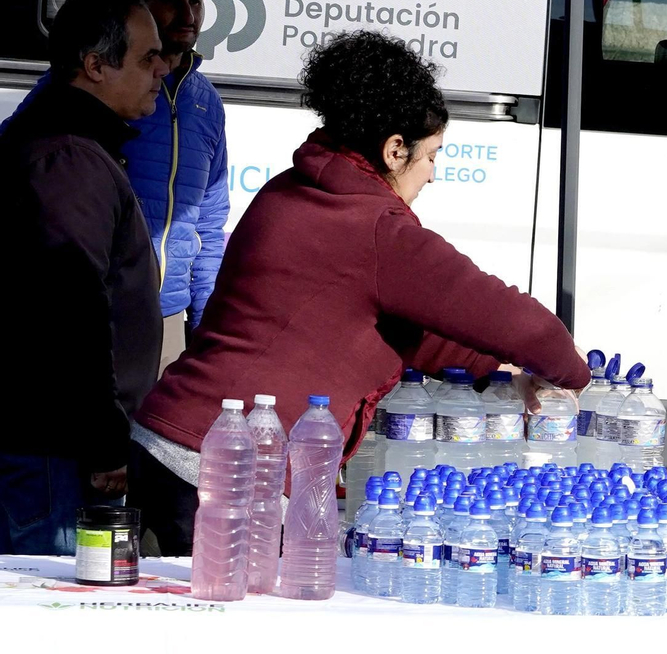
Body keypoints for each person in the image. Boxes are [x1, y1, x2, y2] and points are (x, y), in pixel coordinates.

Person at [130, 30, 589, 554]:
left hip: (172, 439)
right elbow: (511, 318)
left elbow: (397, 331)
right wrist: (571, 369)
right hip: (230, 465)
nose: (434, 175)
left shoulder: (292, 188)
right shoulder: (376, 228)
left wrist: (504, 375)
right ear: (396, 150)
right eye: (433, 156)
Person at [3, 0, 230, 374]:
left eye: (196, 1)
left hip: (165, 324)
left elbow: (208, 227)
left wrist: (204, 328)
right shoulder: (78, 100)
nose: (188, 14)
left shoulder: (207, 105)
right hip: (90, 323)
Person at [0, 0, 167, 552]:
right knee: (44, 618)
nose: (162, 70)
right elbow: (70, 307)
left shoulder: (76, 148)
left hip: (55, 447)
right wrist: (104, 443)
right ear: (95, 66)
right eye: (148, 58)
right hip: (52, 452)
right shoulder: (67, 157)